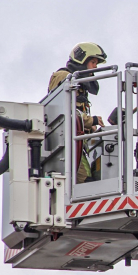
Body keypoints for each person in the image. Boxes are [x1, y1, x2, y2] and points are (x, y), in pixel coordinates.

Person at [48, 42, 107, 183]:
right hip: (66, 142)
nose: (95, 67)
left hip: (77, 142)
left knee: (94, 179)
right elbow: (64, 110)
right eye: (93, 62)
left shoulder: (77, 82)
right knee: (85, 182)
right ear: (82, 60)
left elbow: (76, 113)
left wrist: (90, 127)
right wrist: (90, 121)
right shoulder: (64, 76)